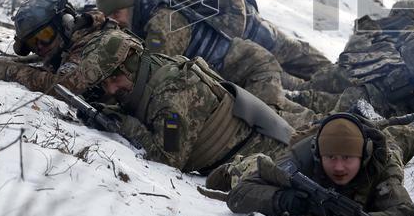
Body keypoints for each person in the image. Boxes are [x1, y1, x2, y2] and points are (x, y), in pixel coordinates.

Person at [220, 111, 414, 216]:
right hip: (319, 133)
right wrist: (282, 200)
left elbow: (403, 211)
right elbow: (240, 194)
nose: (339, 167)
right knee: (227, 174)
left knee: (398, 139)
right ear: (319, 156)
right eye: (331, 158)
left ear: (363, 156)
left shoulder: (379, 166)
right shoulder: (300, 160)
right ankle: (364, 119)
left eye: (347, 159)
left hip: (375, 144)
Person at [95, 0, 315, 128]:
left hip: (251, 69)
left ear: (123, 9)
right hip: (236, 74)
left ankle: (330, 128)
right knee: (291, 106)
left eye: (116, 16)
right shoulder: (145, 15)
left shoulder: (161, 23)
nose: (116, 23)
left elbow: (155, 71)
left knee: (272, 123)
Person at [75, 29, 293, 174]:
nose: (112, 89)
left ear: (132, 64)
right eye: (105, 83)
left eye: (115, 78)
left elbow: (168, 160)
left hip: (272, 159)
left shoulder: (173, 94)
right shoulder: (152, 68)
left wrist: (123, 124)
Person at [165, 0, 332, 83]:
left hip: (275, 43)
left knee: (326, 69)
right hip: (254, 63)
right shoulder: (171, 5)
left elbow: (235, 27)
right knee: (304, 90)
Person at [0, 0, 114, 93]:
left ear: (65, 24)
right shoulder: (66, 48)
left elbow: (63, 87)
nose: (40, 46)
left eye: (45, 35)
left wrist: (9, 70)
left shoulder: (95, 42)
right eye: (32, 42)